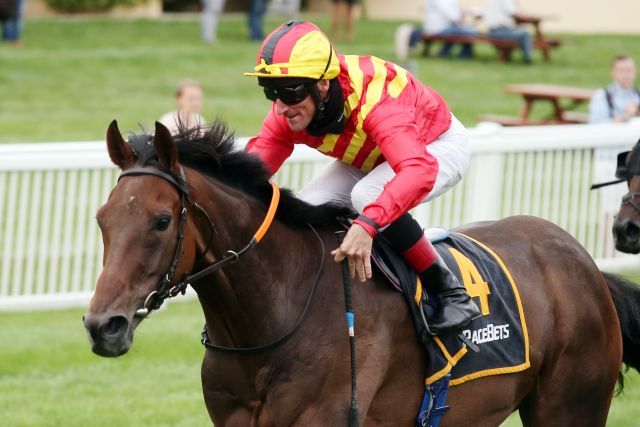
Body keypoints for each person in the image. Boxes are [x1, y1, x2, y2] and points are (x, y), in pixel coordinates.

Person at [244, 20, 480, 334]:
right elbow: (250, 172)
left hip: (434, 146)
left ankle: (449, 291)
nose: (281, 107)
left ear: (323, 85)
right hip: (374, 154)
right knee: (306, 208)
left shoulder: (376, 103)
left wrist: (367, 226)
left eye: (290, 92)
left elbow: (417, 170)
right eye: (270, 92)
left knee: (367, 197)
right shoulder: (289, 110)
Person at [589, 55, 640, 124]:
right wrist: (624, 117)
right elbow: (595, 125)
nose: (626, 75)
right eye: (621, 71)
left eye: (629, 70)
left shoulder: (637, 95)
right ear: (613, 73)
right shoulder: (602, 96)